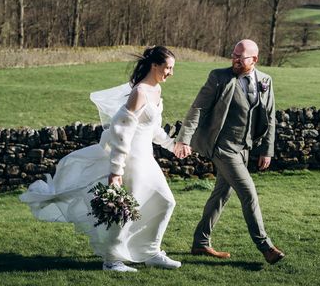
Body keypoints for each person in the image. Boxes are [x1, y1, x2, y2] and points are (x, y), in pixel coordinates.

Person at [20, 46, 181, 272]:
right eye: (168, 67)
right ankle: (112, 260)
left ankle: (151, 252)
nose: (171, 73)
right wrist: (116, 170)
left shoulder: (156, 92)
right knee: (126, 211)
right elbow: (121, 131)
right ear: (154, 66)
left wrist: (173, 145)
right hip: (131, 160)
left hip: (147, 158)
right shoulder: (140, 93)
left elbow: (153, 129)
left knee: (165, 202)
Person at [174, 39, 285, 264]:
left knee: (221, 196)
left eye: (240, 57)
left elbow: (270, 117)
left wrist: (267, 150)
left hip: (244, 148)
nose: (235, 59)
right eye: (233, 54)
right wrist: (184, 139)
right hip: (223, 147)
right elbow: (198, 108)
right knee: (248, 192)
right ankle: (265, 246)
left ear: (254, 59)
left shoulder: (265, 80)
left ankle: (200, 243)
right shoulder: (219, 77)